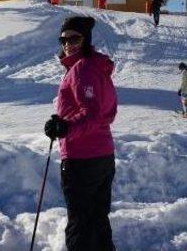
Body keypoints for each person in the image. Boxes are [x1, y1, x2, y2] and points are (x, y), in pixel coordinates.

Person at [44, 16, 118, 251]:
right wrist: (63, 121)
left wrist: (66, 128)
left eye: (74, 38)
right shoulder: (96, 67)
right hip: (102, 155)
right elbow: (104, 112)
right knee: (97, 220)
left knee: (80, 224)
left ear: (86, 40)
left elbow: (92, 113)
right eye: (63, 39)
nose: (68, 44)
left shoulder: (82, 69)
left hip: (82, 158)